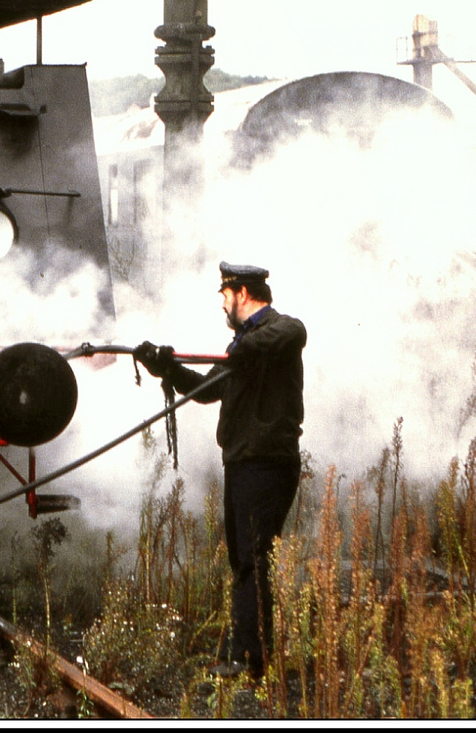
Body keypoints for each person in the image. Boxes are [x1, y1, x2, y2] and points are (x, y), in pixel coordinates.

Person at [134, 261, 306, 679]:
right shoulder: (242, 345)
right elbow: (208, 391)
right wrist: (166, 368)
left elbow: (293, 332)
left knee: (252, 557)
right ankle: (246, 649)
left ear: (242, 294)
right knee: (243, 557)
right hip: (243, 463)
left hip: (267, 465)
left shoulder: (277, 332)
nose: (222, 305)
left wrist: (242, 349)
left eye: (224, 295)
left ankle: (250, 659)